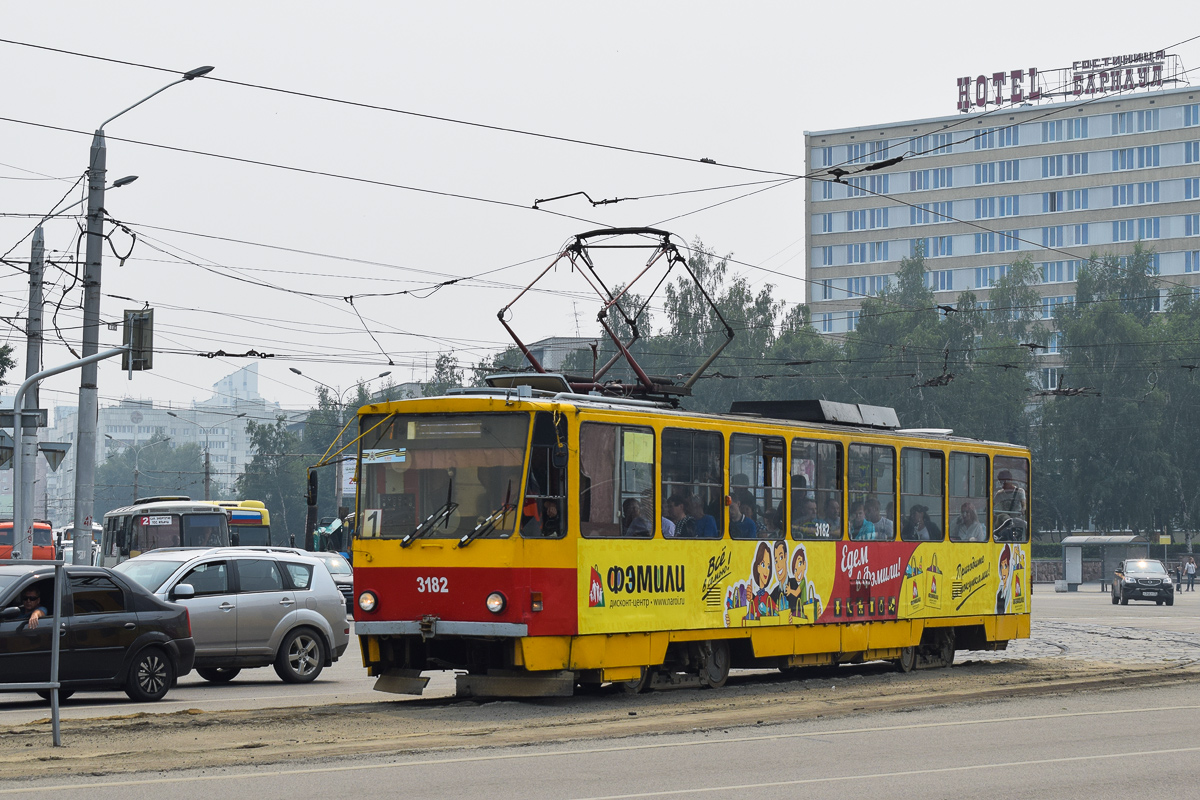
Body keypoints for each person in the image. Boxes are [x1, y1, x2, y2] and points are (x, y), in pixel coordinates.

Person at [993, 469, 1027, 541]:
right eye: (1001, 482)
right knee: (1004, 516)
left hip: (1016, 521)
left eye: (1004, 482)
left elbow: (1024, 504)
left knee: (1024, 524)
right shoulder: (1000, 494)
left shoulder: (1020, 492)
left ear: (1010, 480)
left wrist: (1023, 509)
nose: (1002, 485)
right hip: (1003, 521)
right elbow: (991, 505)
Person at [769, 540, 790, 606]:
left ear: (785, 556)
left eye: (781, 558)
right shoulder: (775, 591)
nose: (778, 566)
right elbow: (766, 603)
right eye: (776, 561)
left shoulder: (793, 584)